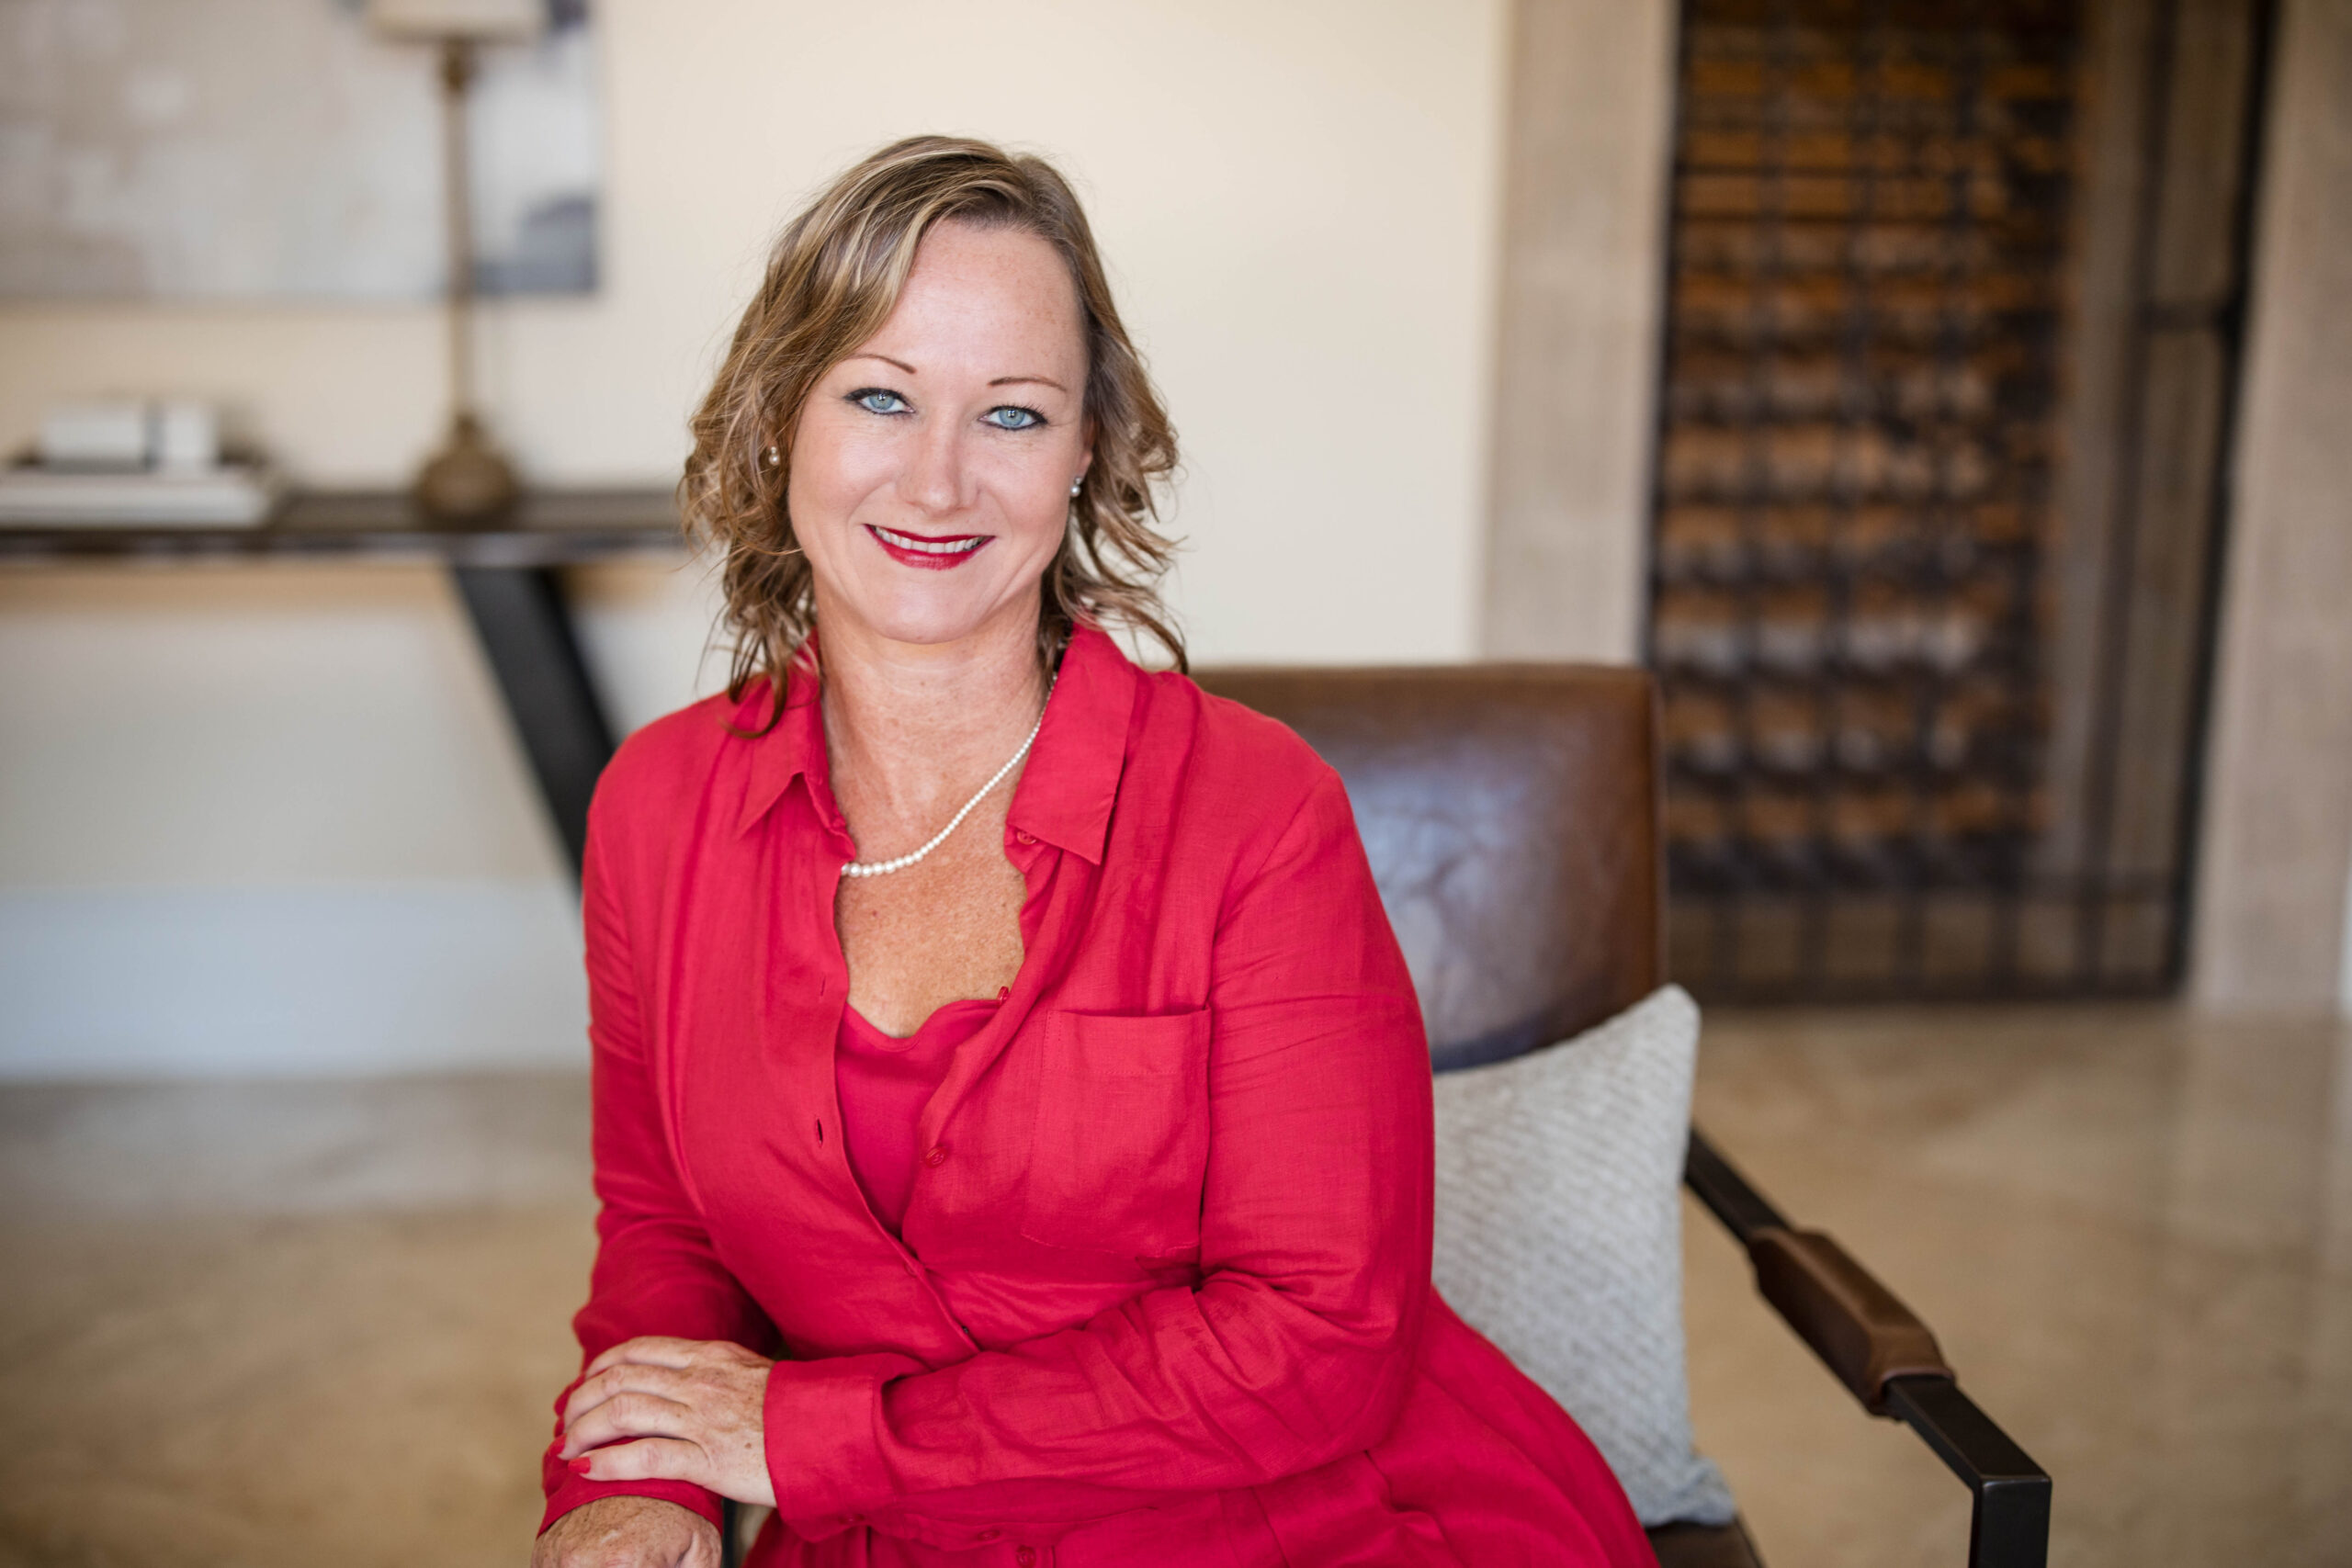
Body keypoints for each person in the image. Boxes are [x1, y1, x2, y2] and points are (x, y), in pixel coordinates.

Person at [532, 135, 1655, 1568]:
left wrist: (806, 1439)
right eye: (880, 396)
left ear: (1086, 456)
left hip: (1305, 1526)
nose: (937, 483)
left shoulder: (1256, 813)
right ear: (778, 428)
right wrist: (639, 1489)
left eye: (1012, 415)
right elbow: (667, 1228)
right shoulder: (657, 807)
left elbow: (1323, 1338)